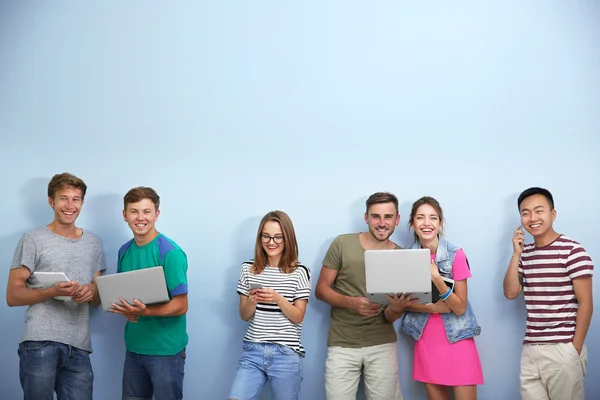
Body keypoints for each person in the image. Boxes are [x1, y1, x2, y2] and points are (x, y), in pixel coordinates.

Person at [6, 172, 106, 400]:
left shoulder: (93, 243)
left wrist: (90, 292)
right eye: (63, 198)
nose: (70, 205)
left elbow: (98, 298)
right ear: (51, 201)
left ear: (82, 202)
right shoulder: (32, 239)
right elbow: (12, 295)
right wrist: (52, 291)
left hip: (79, 347)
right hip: (39, 343)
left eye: (76, 199)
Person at [315, 191, 417, 400]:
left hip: (382, 344)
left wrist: (396, 309)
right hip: (342, 344)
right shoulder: (342, 244)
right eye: (375, 216)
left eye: (388, 217)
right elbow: (321, 290)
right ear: (366, 218)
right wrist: (351, 302)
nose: (382, 223)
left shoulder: (401, 257)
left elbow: (389, 316)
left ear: (397, 220)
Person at [503, 187, 593, 400]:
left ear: (553, 214)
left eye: (539, 211)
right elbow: (510, 292)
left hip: (563, 349)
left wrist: (575, 348)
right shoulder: (526, 255)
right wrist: (516, 254)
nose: (532, 218)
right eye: (525, 213)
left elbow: (586, 304)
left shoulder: (572, 251)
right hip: (531, 349)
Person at [109, 187, 188, 400]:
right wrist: (127, 311)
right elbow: (123, 294)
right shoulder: (124, 251)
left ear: (156, 214)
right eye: (134, 211)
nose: (140, 217)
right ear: (125, 215)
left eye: (146, 211)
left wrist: (145, 311)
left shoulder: (170, 253)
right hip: (134, 348)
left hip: (166, 352)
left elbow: (181, 305)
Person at [400, 196, 482, 400]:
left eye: (433, 218)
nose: (426, 223)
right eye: (420, 218)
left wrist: (437, 278)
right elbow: (403, 304)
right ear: (412, 223)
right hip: (426, 341)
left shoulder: (456, 255)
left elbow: (460, 308)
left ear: (440, 223)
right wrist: (437, 308)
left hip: (458, 340)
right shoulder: (404, 257)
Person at [229, 210, 311, 400]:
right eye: (266, 236)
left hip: (286, 353)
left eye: (277, 237)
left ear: (287, 238)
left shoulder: (300, 271)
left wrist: (278, 298)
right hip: (253, 350)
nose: (271, 242)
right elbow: (244, 315)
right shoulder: (247, 269)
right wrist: (252, 300)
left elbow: (298, 316)